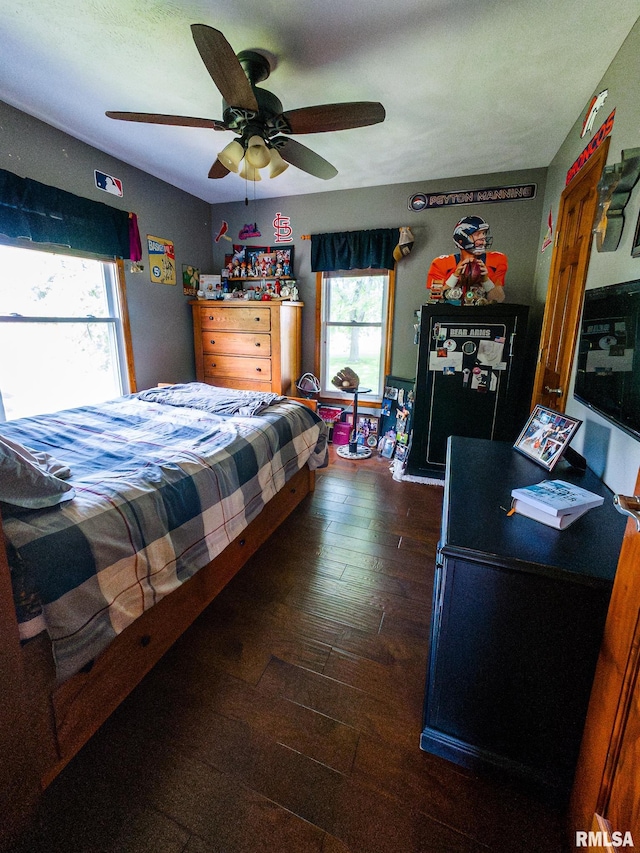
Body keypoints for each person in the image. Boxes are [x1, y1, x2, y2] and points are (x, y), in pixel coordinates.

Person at [426, 216, 507, 304]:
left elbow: (498, 300)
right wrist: (455, 277)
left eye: (483, 233)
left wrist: (486, 280)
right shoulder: (441, 263)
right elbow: (437, 301)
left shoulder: (496, 260)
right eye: (477, 234)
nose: (483, 238)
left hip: (483, 315)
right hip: (452, 316)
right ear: (462, 238)